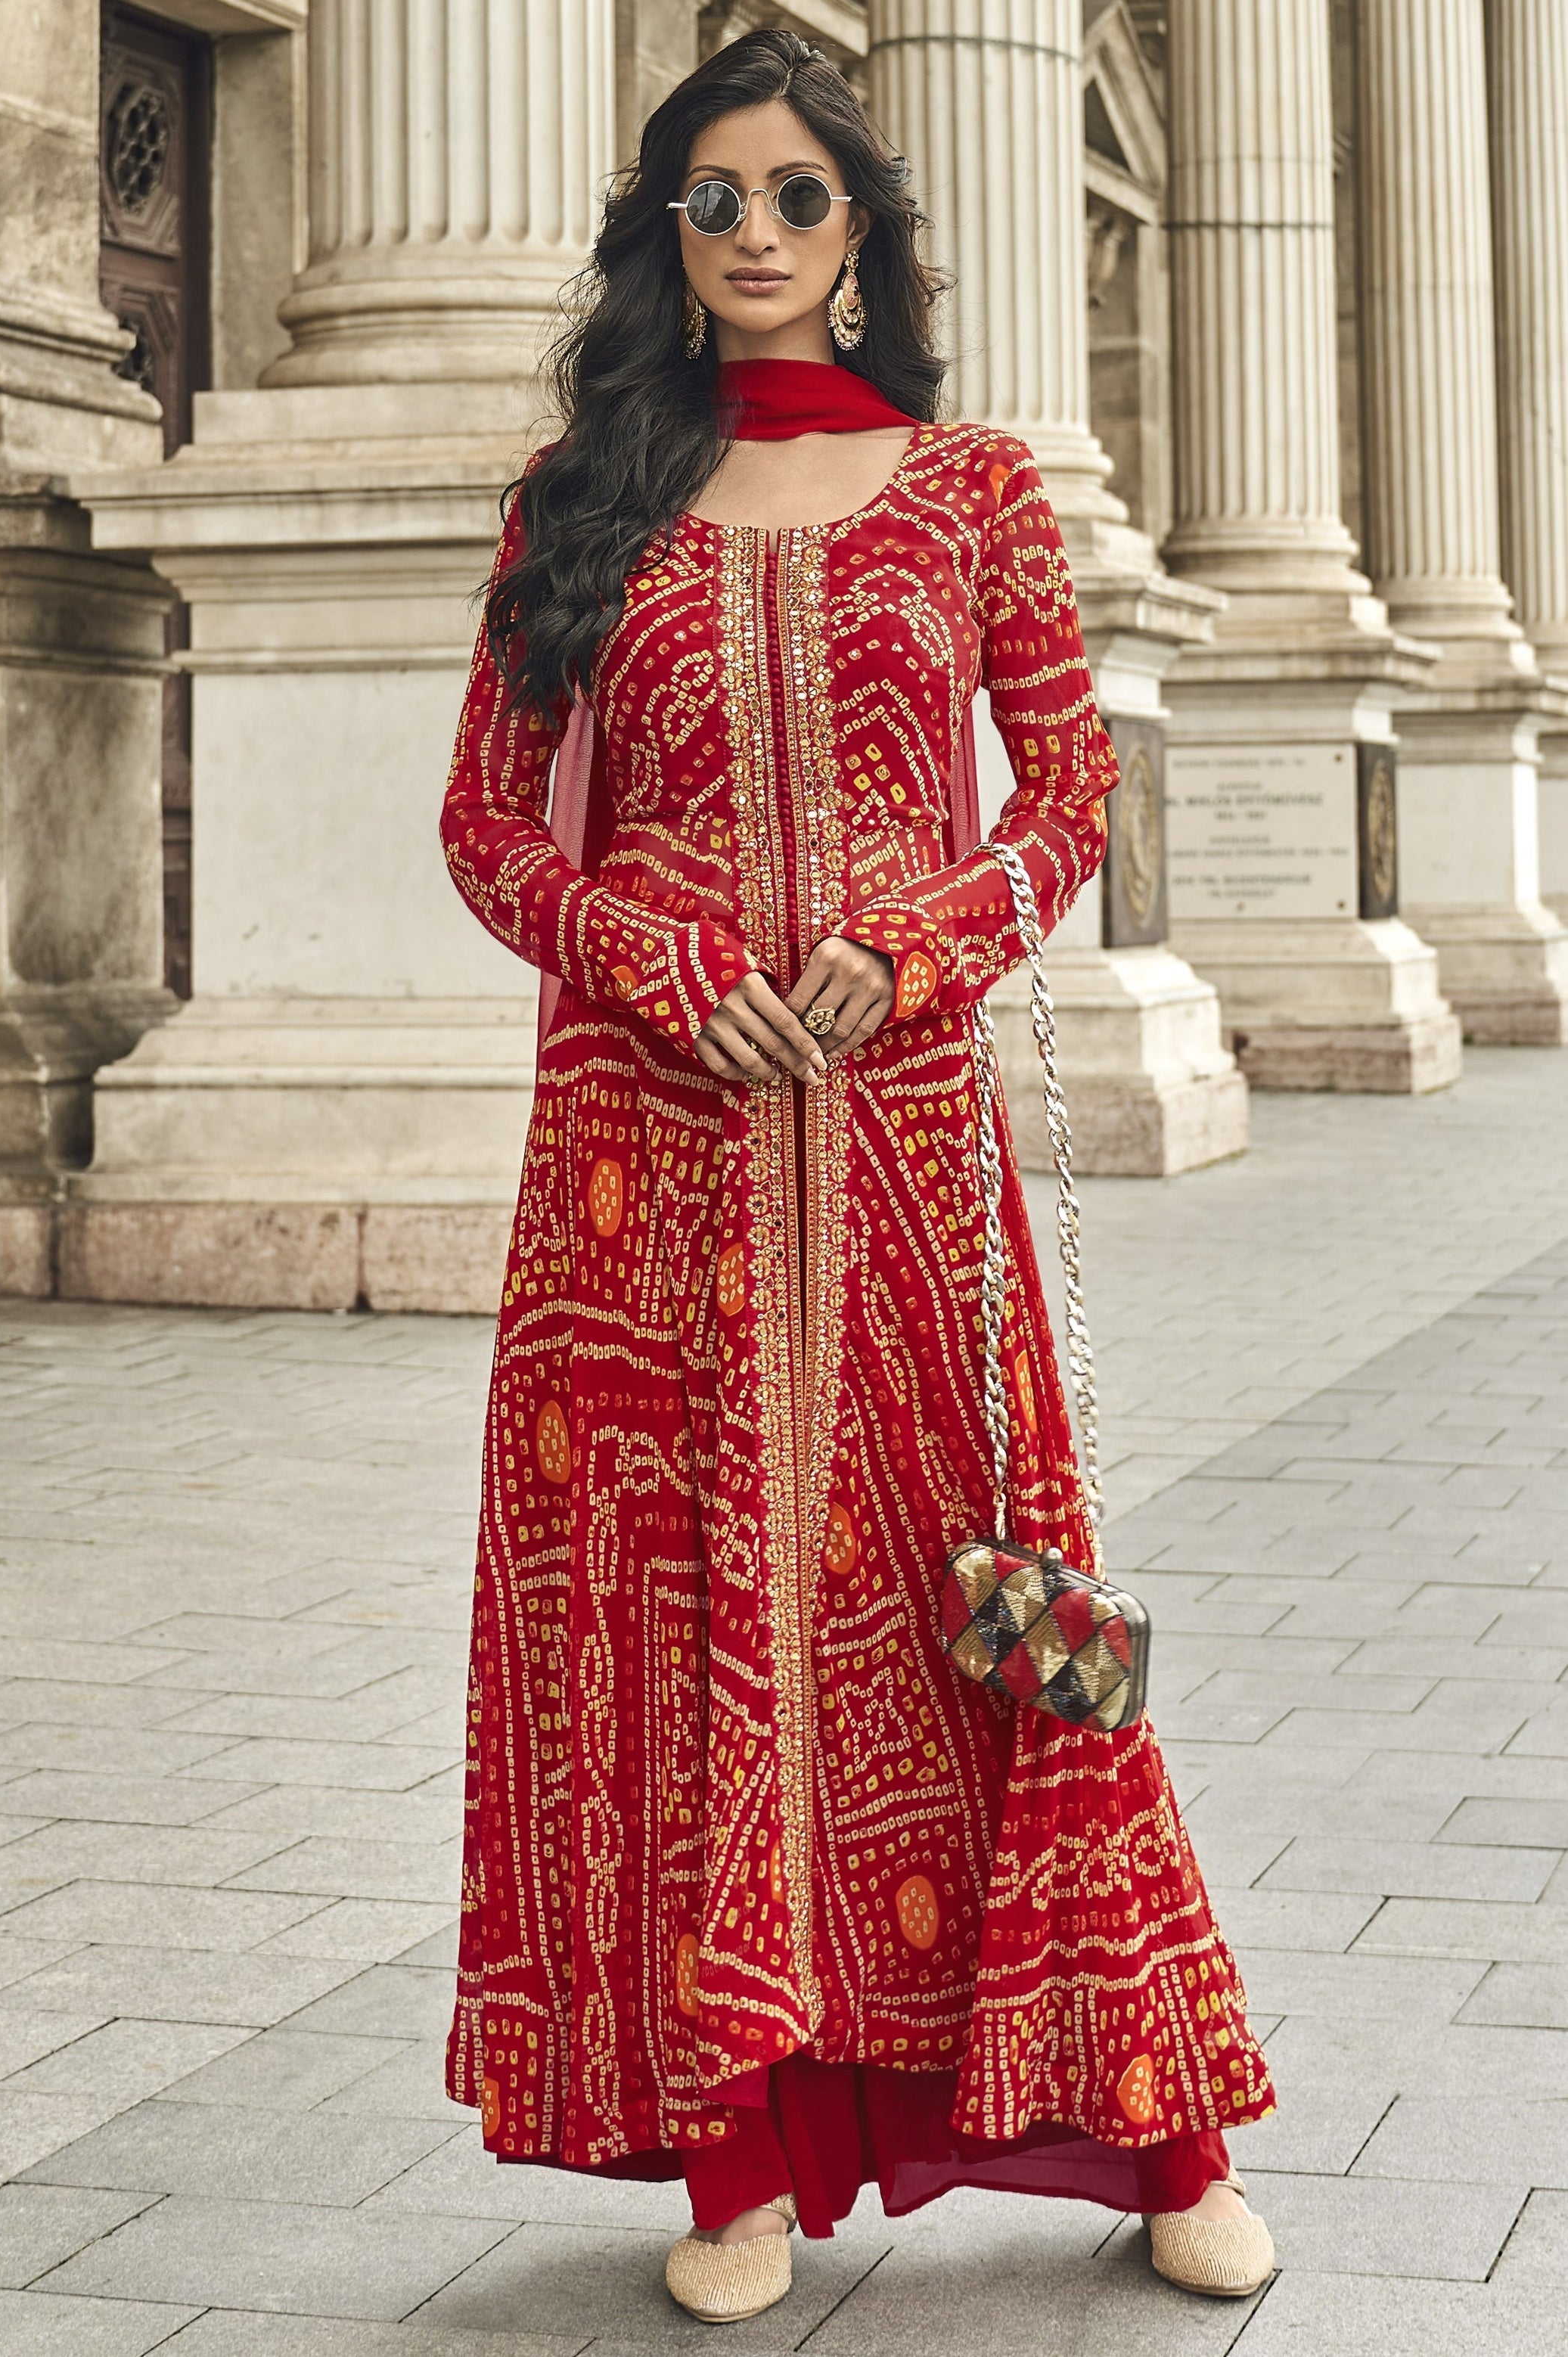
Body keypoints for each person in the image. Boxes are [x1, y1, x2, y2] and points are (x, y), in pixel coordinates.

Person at [439, 28, 1276, 2323]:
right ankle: (736, 2153)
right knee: (687, 1622)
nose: (758, 238)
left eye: (797, 196)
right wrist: (648, 945)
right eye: (712, 201)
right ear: (668, 238)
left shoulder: (976, 490)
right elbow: (492, 825)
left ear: (864, 232)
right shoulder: (589, 490)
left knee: (982, 1613)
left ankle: (1161, 2122)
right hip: (650, 1162)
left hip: (908, 1149)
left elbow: (1071, 805)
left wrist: (910, 949)